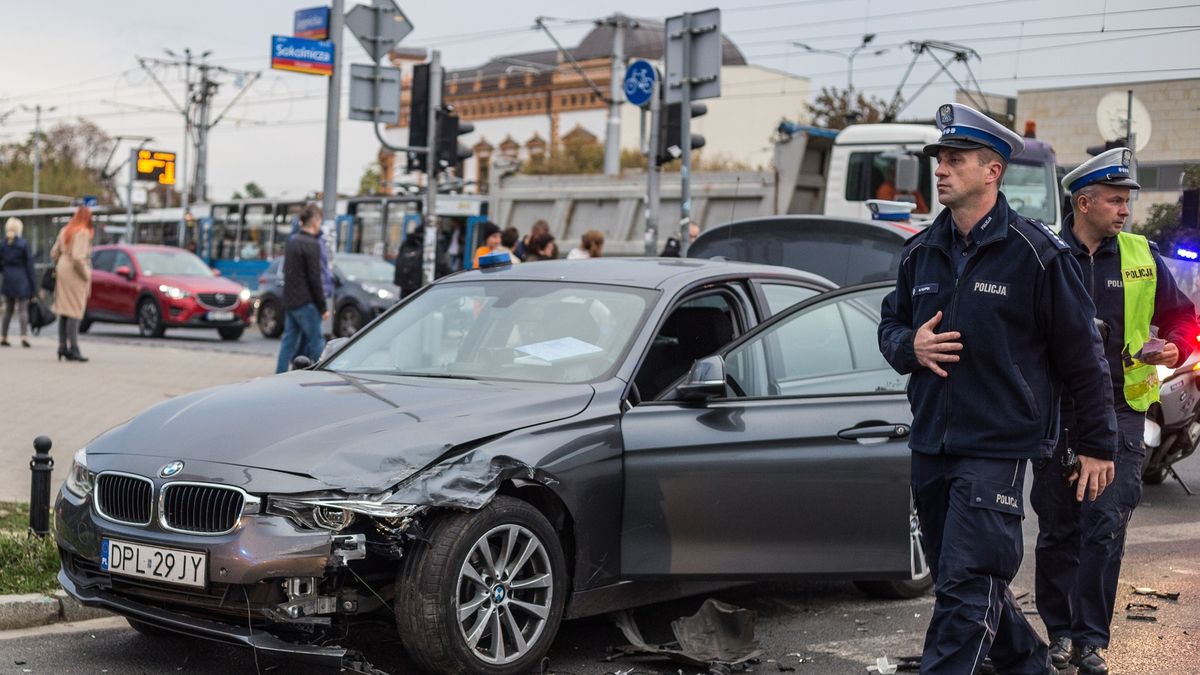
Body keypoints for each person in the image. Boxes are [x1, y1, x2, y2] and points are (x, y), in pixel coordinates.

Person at [878, 103, 1118, 675]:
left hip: (999, 447)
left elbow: (1084, 358)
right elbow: (889, 328)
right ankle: (1026, 665)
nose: (940, 170)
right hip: (931, 443)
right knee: (961, 581)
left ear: (992, 171)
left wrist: (1098, 443)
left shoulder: (1036, 254)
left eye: (955, 160)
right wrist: (909, 346)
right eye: (939, 159)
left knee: (968, 580)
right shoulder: (920, 251)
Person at [1031, 148, 1197, 674]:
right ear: (1083, 202)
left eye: (1128, 200)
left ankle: (1090, 641)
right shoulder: (1044, 255)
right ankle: (1058, 633)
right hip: (1057, 411)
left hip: (1123, 407)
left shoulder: (1141, 255)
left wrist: (1172, 346)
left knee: (1104, 523)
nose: (1125, 209)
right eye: (1115, 200)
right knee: (1058, 526)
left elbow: (1181, 319)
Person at [276, 204, 328, 374]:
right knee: (317, 342)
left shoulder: (292, 241)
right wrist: (323, 307)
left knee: (288, 343)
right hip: (307, 302)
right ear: (316, 222)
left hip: (290, 301)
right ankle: (322, 375)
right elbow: (315, 278)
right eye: (320, 221)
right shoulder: (312, 244)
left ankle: (280, 374)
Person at [50, 206, 95, 362]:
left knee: (64, 310)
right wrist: (86, 274)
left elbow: (53, 252)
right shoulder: (82, 232)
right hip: (74, 273)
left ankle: (62, 346)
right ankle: (74, 348)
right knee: (75, 310)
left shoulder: (66, 230)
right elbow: (77, 257)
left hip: (62, 269)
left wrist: (61, 262)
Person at [0, 217, 37, 348]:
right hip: (22, 280)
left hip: (8, 280)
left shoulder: (3, 244)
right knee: (23, 310)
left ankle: (3, 336)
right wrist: (34, 288)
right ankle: (24, 336)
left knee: (8, 310)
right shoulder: (23, 244)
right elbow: (30, 266)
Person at [393, 228, 454, 298]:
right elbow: (441, 264)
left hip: (405, 284)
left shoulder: (407, 242)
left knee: (406, 305)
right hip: (421, 284)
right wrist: (453, 276)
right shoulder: (430, 243)